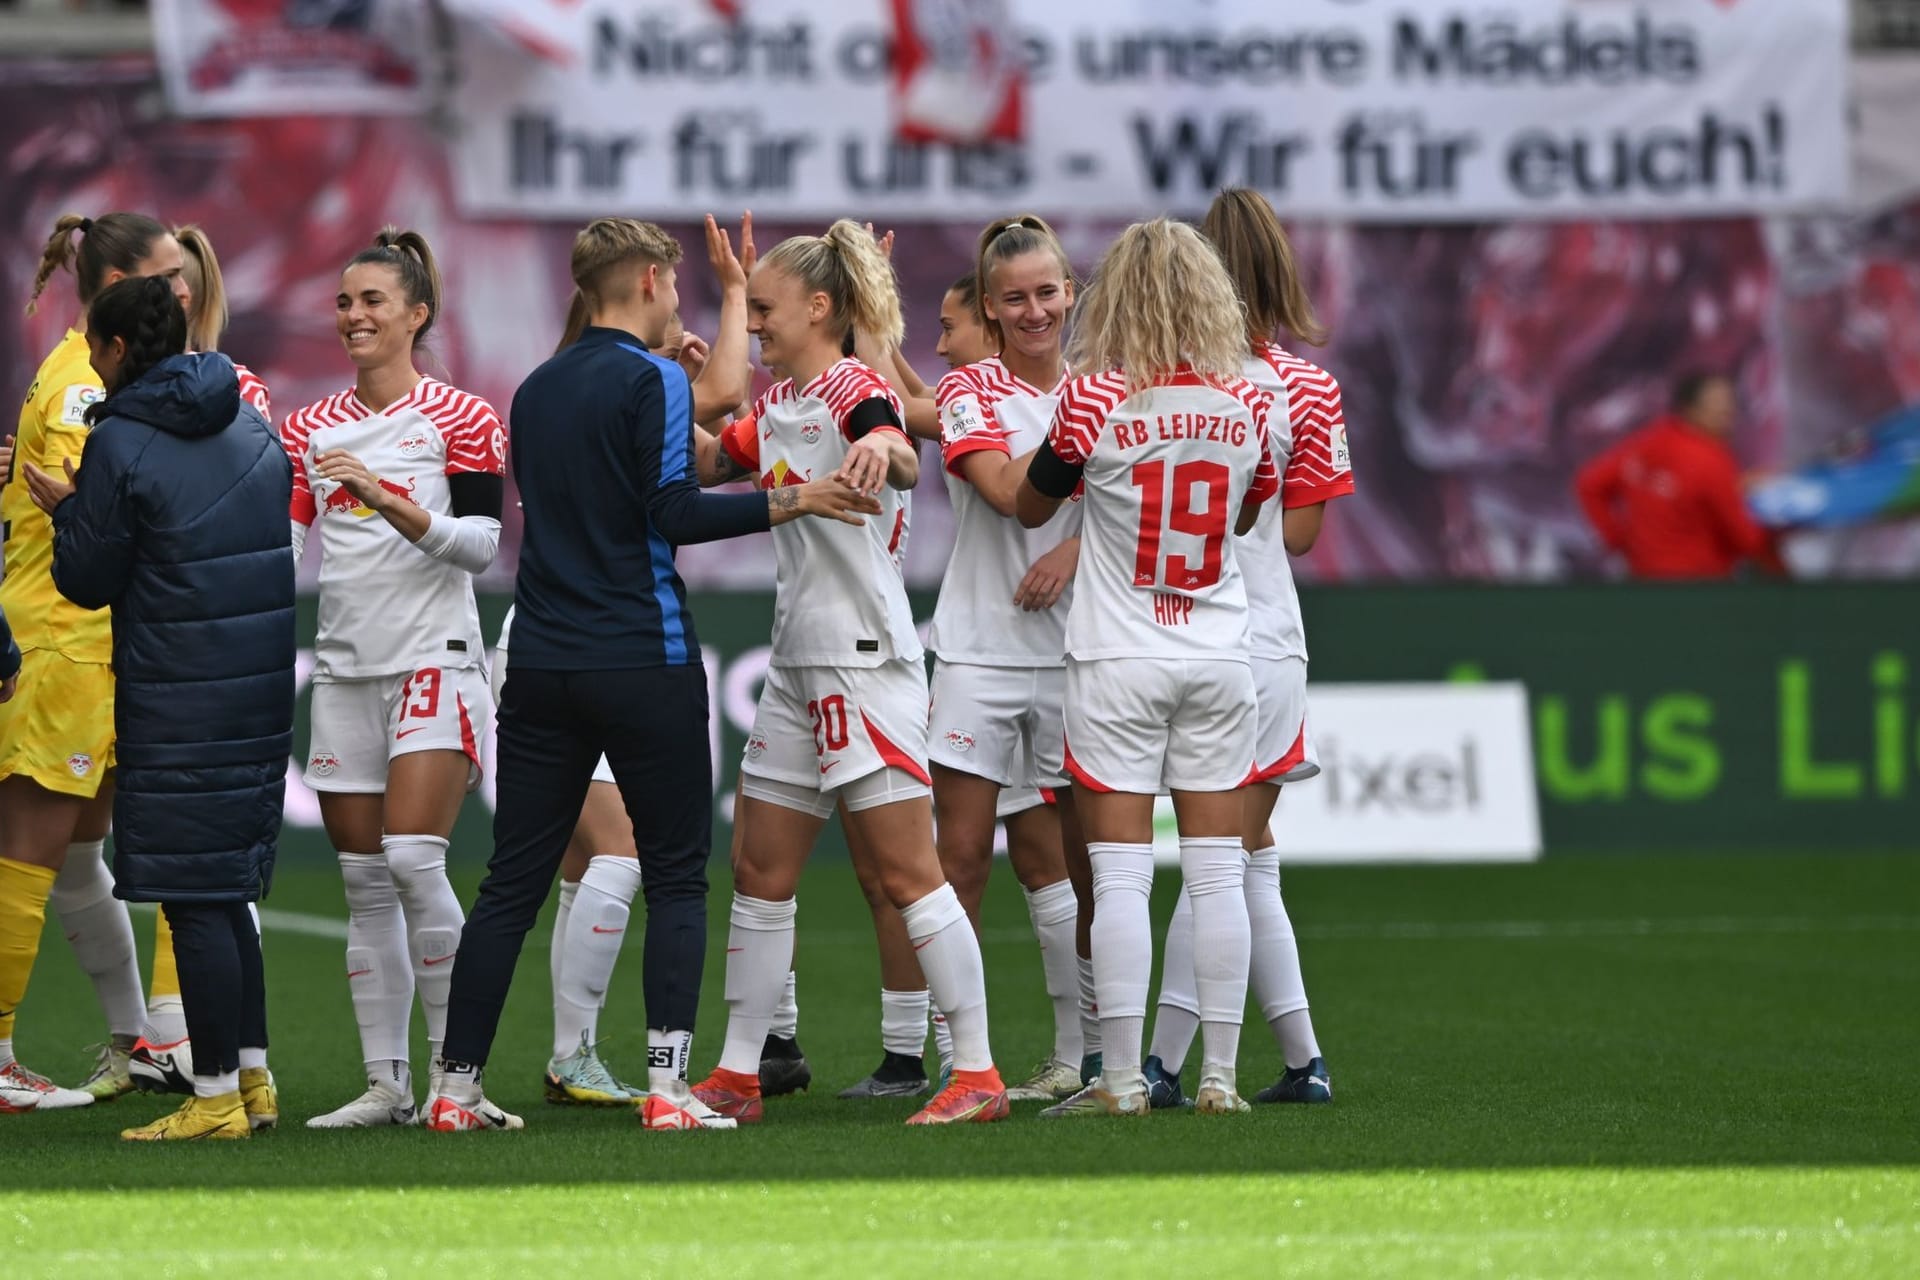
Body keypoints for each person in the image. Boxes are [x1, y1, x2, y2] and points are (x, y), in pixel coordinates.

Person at [428, 215, 877, 1133]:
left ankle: (455, 1088)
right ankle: (669, 1090)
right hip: (644, 655)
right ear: (642, 280)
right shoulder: (652, 380)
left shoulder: (535, 387)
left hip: (544, 663)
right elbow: (672, 512)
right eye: (671, 284)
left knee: (510, 883)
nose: (677, 300)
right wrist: (793, 497)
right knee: (675, 875)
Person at [691, 220, 1009, 1127]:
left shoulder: (851, 386)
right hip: (798, 662)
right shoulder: (786, 400)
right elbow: (711, 461)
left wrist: (885, 452)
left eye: (764, 308)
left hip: (862, 663)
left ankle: (977, 1076)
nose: (755, 325)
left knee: (912, 874)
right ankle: (740, 1075)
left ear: (819, 308)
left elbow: (901, 450)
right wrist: (672, 391)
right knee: (758, 867)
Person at [1016, 217, 1280, 1118]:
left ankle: (1122, 1081)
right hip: (1217, 655)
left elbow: (1029, 502)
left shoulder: (1091, 399)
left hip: (1119, 654)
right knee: (1216, 875)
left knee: (1122, 875)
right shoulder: (1244, 406)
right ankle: (1221, 1079)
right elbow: (1245, 518)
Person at [28, 274, 294, 1140]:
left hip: (178, 688)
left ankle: (213, 1097)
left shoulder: (122, 441)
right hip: (254, 687)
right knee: (229, 891)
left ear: (109, 350)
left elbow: (86, 579)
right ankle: (252, 1084)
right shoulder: (251, 421)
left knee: (194, 893)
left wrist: (70, 511)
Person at [280, 227, 506, 1129]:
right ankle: (386, 1086)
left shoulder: (463, 416)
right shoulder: (306, 427)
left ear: (417, 313)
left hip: (435, 662)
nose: (353, 316)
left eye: (372, 301)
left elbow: (482, 548)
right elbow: (285, 546)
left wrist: (385, 497)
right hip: (342, 671)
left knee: (414, 858)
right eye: (343, 302)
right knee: (364, 881)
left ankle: (460, 1080)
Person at [1144, 187, 1353, 1108]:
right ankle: (1301, 1063)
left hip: (1173, 631)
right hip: (1267, 636)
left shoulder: (1159, 386)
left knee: (1221, 854)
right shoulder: (1305, 384)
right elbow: (1301, 536)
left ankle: (1158, 1063)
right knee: (1242, 852)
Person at [0, 213, 186, 1114]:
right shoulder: (84, 386)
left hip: (86, 643)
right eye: (167, 276)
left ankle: (139, 1041)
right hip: (66, 642)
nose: (181, 293)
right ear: (117, 283)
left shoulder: (78, 367)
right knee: (29, 851)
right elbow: (92, 511)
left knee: (78, 858)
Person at [926, 215, 1085, 1102]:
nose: (1035, 311)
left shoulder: (1104, 386)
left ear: (1070, 291)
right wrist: (1088, 447)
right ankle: (967, 1063)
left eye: (1048, 293)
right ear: (988, 308)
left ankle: (1078, 1056)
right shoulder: (969, 393)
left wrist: (1077, 550)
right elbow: (1003, 491)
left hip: (1076, 659)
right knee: (959, 861)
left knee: (1065, 865)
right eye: (1015, 298)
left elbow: (1138, 511)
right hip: (980, 654)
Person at [129, 223, 277, 1098]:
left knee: (200, 863)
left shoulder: (232, 394)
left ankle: (191, 1045)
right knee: (150, 857)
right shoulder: (133, 398)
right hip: (164, 643)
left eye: (168, 282)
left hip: (189, 648)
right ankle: (170, 1040)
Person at [1575, 373, 1783, 579]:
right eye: (1719, 407)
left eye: (1730, 405)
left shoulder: (1648, 443)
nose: (1729, 413)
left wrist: (1619, 542)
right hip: (1700, 588)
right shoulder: (1712, 459)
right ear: (1689, 409)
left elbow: (1590, 484)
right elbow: (1746, 539)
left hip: (1644, 581)